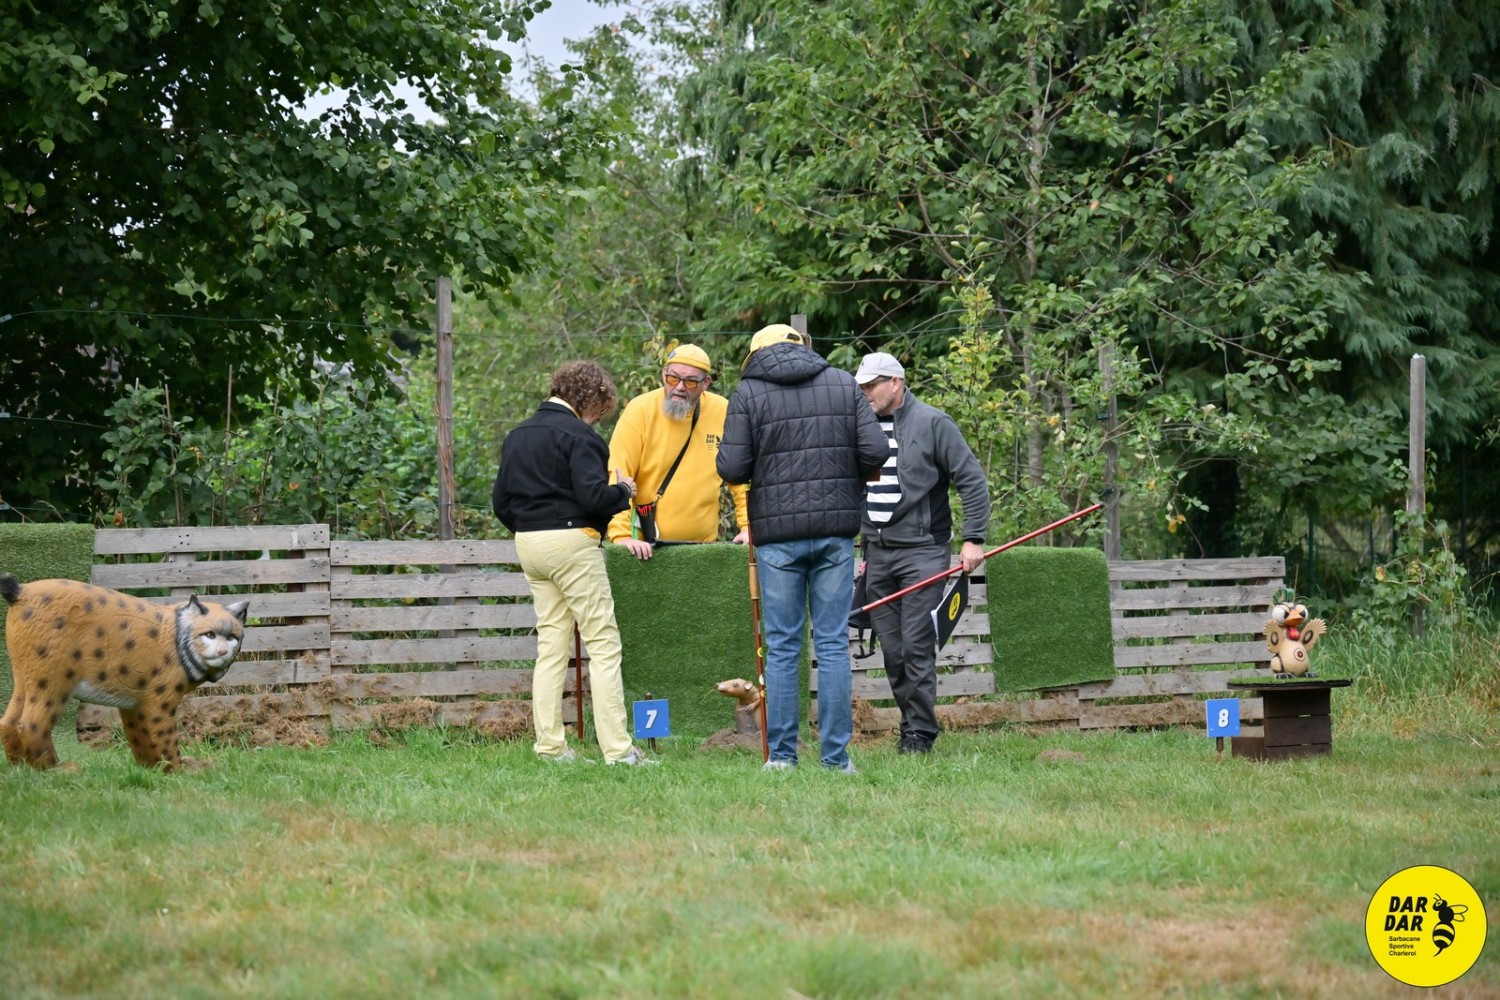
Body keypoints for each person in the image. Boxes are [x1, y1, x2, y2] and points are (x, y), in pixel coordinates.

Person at [716, 324, 888, 772]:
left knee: (782, 647)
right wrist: (847, 474)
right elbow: (875, 450)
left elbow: (732, 467)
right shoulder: (842, 383)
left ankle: (782, 759)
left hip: (777, 537)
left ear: (756, 354)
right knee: (831, 644)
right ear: (804, 348)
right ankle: (836, 760)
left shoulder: (749, 392)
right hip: (835, 531)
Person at [491, 360, 657, 766]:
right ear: (591, 399)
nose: (597, 420)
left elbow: (500, 503)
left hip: (528, 543)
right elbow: (592, 498)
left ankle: (550, 748)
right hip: (571, 543)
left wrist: (530, 527)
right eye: (599, 412)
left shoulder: (516, 435)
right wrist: (622, 490)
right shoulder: (581, 437)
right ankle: (618, 751)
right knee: (603, 644)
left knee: (551, 646)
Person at [854, 351, 991, 755]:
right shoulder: (859, 427)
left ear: (895, 382)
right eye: (861, 387)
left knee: (915, 645)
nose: (865, 393)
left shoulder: (933, 423)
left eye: (871, 385)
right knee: (893, 651)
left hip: (923, 551)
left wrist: (973, 538)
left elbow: (972, 480)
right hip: (877, 552)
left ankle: (919, 734)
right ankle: (913, 724)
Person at [607, 344, 750, 559]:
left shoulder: (722, 410)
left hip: (704, 547)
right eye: (673, 378)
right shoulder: (640, 409)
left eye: (690, 381)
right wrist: (621, 536)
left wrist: (747, 527)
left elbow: (739, 475)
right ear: (663, 374)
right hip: (646, 547)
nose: (680, 387)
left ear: (706, 383)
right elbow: (618, 473)